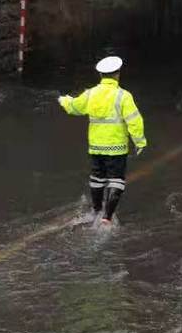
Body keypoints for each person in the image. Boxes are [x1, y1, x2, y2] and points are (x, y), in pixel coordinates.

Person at [58, 56, 147, 226]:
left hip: (96, 147)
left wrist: (64, 100)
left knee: (97, 178)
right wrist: (140, 142)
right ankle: (107, 217)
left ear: (100, 75)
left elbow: (74, 108)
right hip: (117, 148)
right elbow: (135, 121)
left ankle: (96, 210)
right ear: (117, 74)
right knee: (116, 180)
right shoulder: (123, 96)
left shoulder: (90, 93)